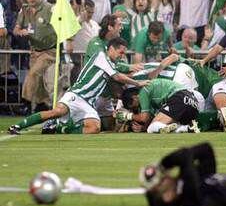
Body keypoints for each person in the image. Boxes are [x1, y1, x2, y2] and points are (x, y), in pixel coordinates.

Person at [8, 38, 148, 135]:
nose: (122, 56)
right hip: (77, 94)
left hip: (89, 103)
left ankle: (60, 128)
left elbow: (120, 74)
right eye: (121, 52)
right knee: (57, 112)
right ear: (111, 48)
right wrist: (137, 83)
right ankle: (18, 126)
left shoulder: (112, 64)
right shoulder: (100, 56)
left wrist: (141, 75)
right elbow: (117, 77)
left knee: (94, 128)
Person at [13, 0, 57, 112]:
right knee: (38, 79)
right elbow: (16, 29)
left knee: (33, 73)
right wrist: (20, 32)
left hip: (49, 51)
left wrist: (69, 41)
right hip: (34, 51)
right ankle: (42, 104)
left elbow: (62, 25)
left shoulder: (50, 9)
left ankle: (25, 103)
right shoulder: (24, 9)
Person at [118, 78, 200, 134]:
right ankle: (188, 128)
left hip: (179, 98)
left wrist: (127, 116)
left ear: (135, 97)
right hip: (192, 102)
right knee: (158, 125)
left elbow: (144, 118)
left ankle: (182, 129)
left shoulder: (143, 92)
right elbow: (152, 117)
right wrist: (143, 128)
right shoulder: (151, 96)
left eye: (134, 106)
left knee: (152, 128)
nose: (137, 108)